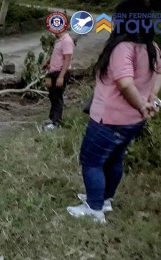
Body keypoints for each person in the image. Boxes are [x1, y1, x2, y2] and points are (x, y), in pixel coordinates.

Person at [67, 0, 161, 223]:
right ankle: (104, 199)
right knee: (113, 160)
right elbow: (158, 74)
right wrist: (150, 98)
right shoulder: (153, 47)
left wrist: (141, 103)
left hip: (109, 119)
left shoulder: (123, 48)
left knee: (92, 160)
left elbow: (125, 84)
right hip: (132, 121)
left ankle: (94, 208)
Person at [42, 30, 75, 131]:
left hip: (60, 73)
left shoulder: (67, 41)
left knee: (57, 96)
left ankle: (56, 122)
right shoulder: (59, 41)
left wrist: (61, 77)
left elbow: (67, 59)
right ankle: (52, 118)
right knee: (51, 94)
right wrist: (47, 63)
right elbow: (55, 54)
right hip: (52, 72)